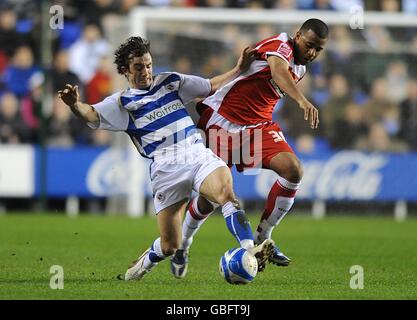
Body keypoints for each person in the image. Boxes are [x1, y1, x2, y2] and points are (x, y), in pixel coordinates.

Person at [58, 36, 274, 281]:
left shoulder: (170, 81)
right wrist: (75, 104)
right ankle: (141, 265)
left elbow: (209, 85)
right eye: (138, 67)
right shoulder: (121, 103)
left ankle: (249, 249)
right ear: (124, 71)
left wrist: (238, 69)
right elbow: (91, 114)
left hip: (195, 152)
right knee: (170, 244)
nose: (146, 71)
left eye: (148, 65)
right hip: (166, 168)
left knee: (225, 193)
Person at [172, 19, 328, 277]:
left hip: (257, 127)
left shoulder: (301, 67)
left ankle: (263, 237)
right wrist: (302, 101)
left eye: (318, 50)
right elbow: (278, 71)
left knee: (293, 171)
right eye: (309, 45)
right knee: (210, 200)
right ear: (297, 35)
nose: (312, 53)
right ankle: (183, 245)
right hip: (222, 122)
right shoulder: (280, 45)